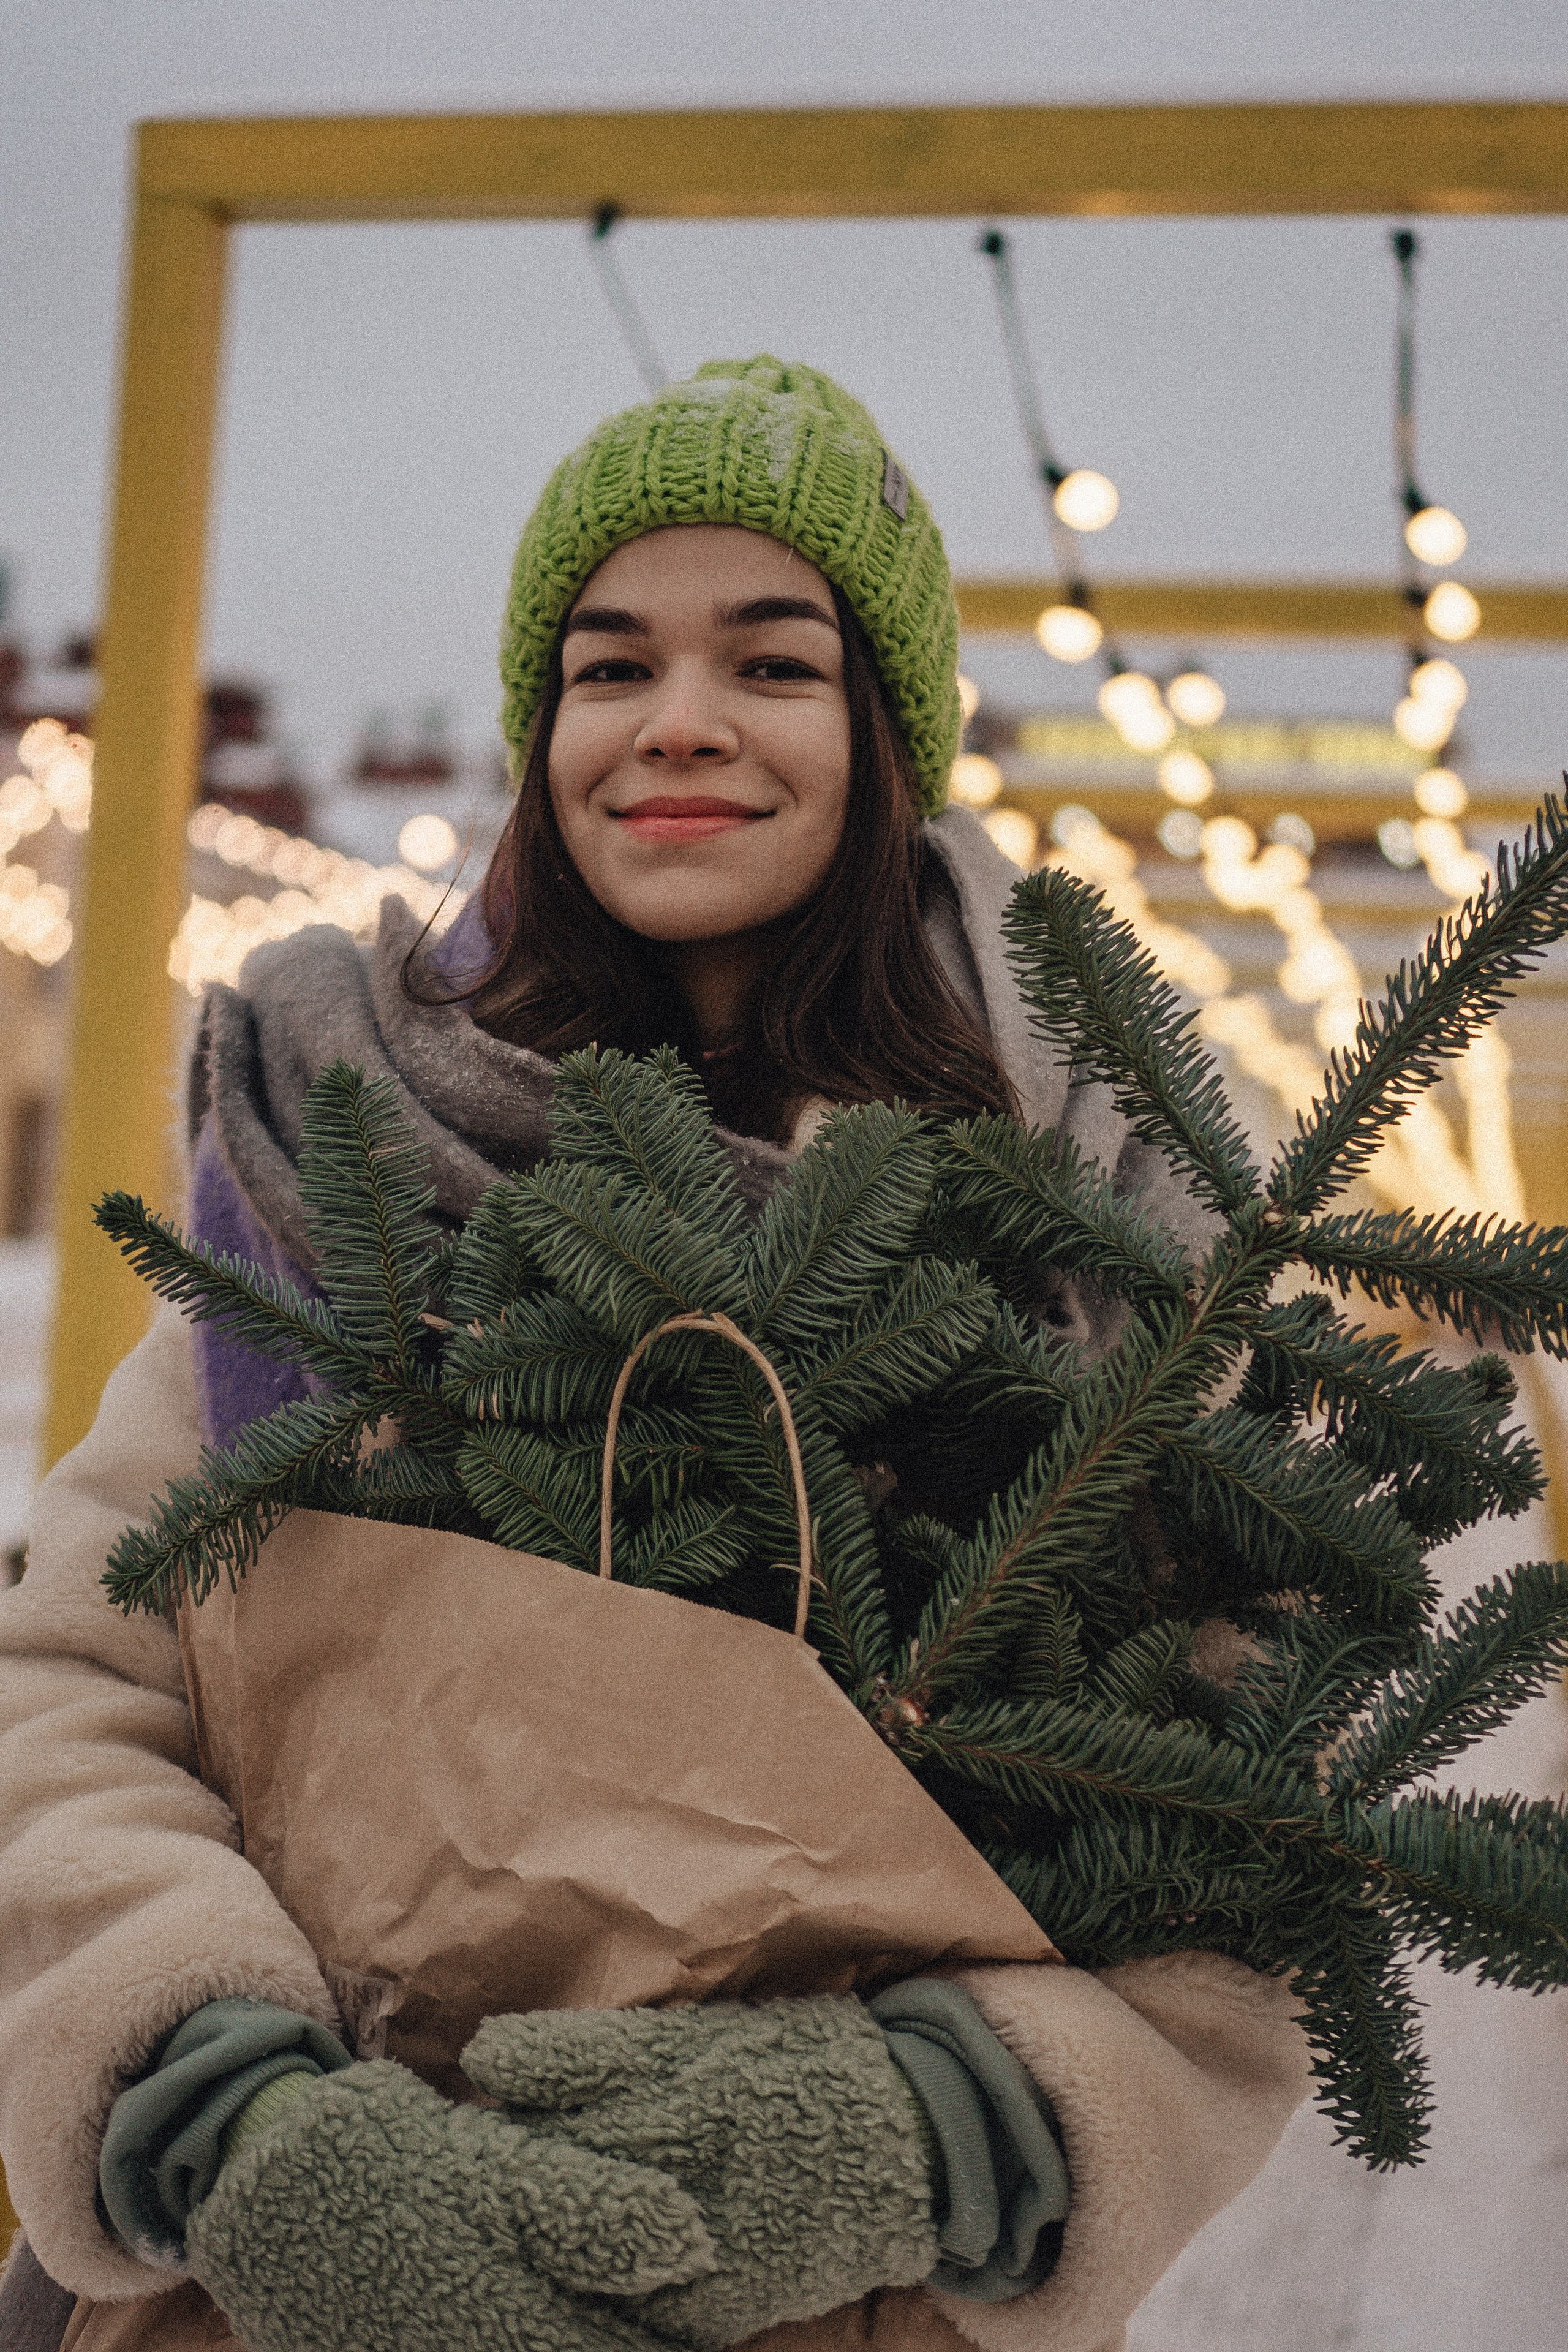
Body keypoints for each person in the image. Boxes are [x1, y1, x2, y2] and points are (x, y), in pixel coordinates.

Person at [0, 358, 1310, 2352]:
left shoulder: (1104, 1213)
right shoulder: (334, 1159)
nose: (676, 723)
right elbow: (81, 1689)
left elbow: (1250, 1812)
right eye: (609, 668)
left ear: (885, 737)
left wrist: (937, 2123)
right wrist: (222, 2112)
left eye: (772, 665)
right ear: (544, 732)